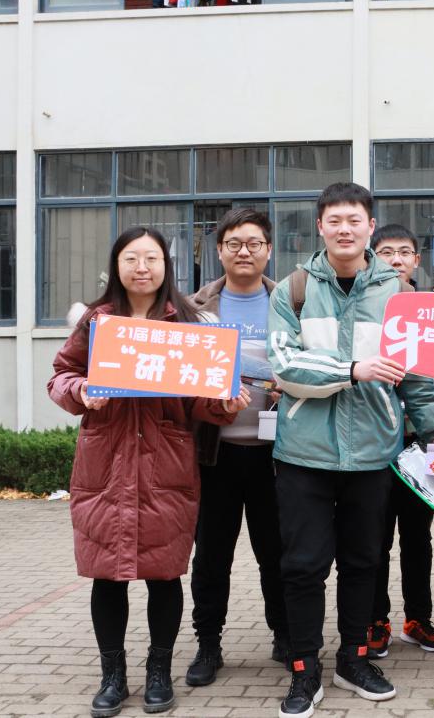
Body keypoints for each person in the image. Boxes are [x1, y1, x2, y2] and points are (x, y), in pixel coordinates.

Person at [266, 183, 434, 718]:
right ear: (320, 227)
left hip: (374, 451)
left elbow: (417, 375)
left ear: (371, 226)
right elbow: (284, 365)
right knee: (303, 565)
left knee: (363, 562)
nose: (344, 229)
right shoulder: (293, 289)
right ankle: (304, 668)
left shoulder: (399, 295)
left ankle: (354, 658)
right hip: (304, 453)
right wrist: (352, 370)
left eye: (354, 220)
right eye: (334, 220)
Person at [48, 227, 249, 718]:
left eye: (152, 258)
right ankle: (112, 676)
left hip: (167, 464)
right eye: (132, 258)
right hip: (106, 464)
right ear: (116, 266)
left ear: (166, 265)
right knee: (106, 575)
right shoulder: (96, 322)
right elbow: (60, 376)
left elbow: (202, 397)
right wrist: (82, 391)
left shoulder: (188, 322)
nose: (142, 268)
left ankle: (159, 672)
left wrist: (224, 404)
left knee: (164, 574)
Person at [184, 208, 288, 687]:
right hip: (214, 454)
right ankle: (208, 644)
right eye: (234, 243)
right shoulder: (193, 309)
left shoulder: (291, 303)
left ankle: (285, 636)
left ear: (268, 249)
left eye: (254, 243)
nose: (244, 251)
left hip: (278, 454)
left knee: (278, 554)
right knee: (211, 557)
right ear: (219, 250)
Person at [365, 224, 434, 655]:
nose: (395, 259)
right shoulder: (363, 310)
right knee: (374, 538)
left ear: (417, 261)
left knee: (419, 537)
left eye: (404, 252)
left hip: (425, 442)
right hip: (374, 442)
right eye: (386, 252)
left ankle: (418, 618)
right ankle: (375, 620)